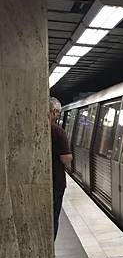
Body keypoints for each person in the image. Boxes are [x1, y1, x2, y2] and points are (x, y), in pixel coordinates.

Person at [49, 97, 72, 239]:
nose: (57, 116)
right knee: (53, 217)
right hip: (56, 182)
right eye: (57, 113)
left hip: (46, 181)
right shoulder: (58, 131)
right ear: (54, 112)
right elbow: (66, 158)